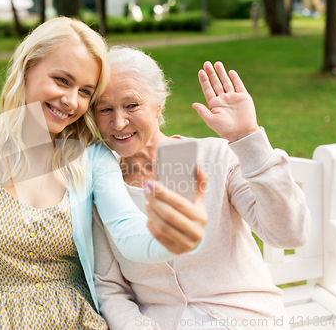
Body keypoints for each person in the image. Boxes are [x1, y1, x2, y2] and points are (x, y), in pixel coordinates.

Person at [0, 18, 201, 329]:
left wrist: (168, 235)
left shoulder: (91, 156)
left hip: (78, 321)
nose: (71, 101)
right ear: (28, 68)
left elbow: (126, 230)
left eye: (85, 91)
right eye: (63, 81)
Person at [92, 47, 311, 330]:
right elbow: (109, 288)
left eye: (132, 105)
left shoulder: (210, 157)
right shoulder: (105, 186)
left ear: (160, 105)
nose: (119, 122)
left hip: (244, 319)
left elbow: (289, 234)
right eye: (105, 109)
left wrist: (247, 139)